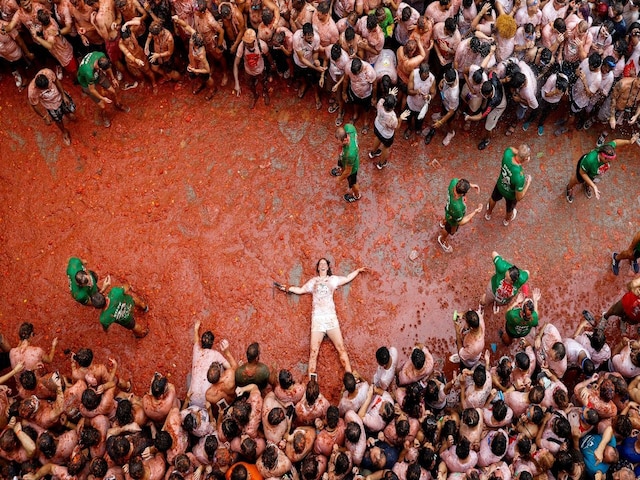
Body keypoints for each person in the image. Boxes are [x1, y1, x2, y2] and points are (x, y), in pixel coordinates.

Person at [278, 258, 366, 378]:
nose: (323, 265)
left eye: (325, 263)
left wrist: (358, 271)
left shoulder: (333, 280)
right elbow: (300, 290)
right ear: (318, 268)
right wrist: (287, 288)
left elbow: (346, 278)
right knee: (313, 353)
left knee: (341, 348)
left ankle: (350, 378)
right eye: (320, 264)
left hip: (330, 318)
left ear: (328, 267)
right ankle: (312, 384)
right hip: (318, 320)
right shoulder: (313, 281)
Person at [566, 134, 639, 203]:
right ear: (601, 155)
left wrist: (629, 142)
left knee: (593, 179)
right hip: (585, 168)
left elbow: (615, 142)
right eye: (608, 160)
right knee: (578, 180)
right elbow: (582, 173)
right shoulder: (589, 160)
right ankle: (569, 188)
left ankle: (588, 184)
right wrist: (594, 187)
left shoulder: (608, 149)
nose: (609, 161)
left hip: (596, 172)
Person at [77, 51, 130, 128]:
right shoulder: (88, 72)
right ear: (100, 68)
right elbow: (92, 90)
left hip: (97, 75)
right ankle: (104, 116)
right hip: (86, 82)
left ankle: (117, 104)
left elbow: (108, 68)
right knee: (102, 105)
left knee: (113, 91)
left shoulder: (101, 56)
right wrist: (103, 98)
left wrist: (113, 78)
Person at [485, 144, 532, 227]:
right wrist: (528, 183)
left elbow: (510, 148)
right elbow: (519, 197)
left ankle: (488, 213)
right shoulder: (520, 176)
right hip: (510, 194)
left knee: (493, 198)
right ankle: (506, 220)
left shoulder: (507, 153)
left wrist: (520, 153)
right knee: (510, 209)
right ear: (525, 159)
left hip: (500, 184)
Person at [437, 178, 483, 253]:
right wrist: (475, 211)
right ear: (462, 194)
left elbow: (459, 180)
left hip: (448, 209)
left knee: (447, 216)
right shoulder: (458, 208)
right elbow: (461, 222)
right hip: (453, 219)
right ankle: (442, 240)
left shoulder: (453, 182)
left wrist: (470, 185)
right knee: (448, 230)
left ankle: (443, 222)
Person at [367, 89, 409, 169]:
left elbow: (384, 99)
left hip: (377, 126)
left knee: (378, 138)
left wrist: (390, 94)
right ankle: (381, 163)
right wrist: (400, 118)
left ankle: (373, 153)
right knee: (386, 147)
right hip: (386, 135)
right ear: (393, 107)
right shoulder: (393, 118)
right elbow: (396, 128)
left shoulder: (380, 103)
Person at [233, 28, 273, 108]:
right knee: (250, 85)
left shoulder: (262, 45)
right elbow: (236, 64)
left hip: (260, 70)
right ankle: (255, 95)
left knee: (264, 83)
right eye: (246, 41)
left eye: (248, 42)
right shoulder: (242, 45)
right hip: (248, 71)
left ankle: (265, 93)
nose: (246, 43)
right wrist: (236, 83)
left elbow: (268, 56)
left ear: (254, 40)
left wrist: (272, 65)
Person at [333, 125, 361, 203]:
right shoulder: (349, 128)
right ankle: (341, 170)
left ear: (345, 140)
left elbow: (348, 171)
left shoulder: (350, 154)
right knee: (342, 164)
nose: (336, 143)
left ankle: (356, 195)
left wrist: (340, 179)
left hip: (352, 168)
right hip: (344, 158)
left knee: (353, 183)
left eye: (338, 141)